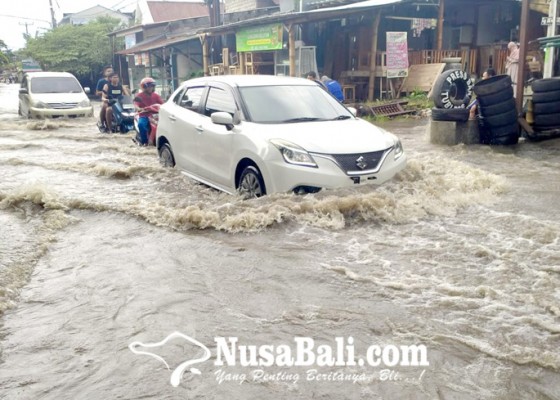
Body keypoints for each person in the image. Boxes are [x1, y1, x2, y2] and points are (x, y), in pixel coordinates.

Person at [133, 77, 163, 146]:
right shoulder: (139, 96)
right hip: (144, 115)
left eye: (151, 86)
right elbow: (136, 104)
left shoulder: (156, 96)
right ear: (143, 87)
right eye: (147, 86)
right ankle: (145, 142)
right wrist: (139, 108)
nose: (150, 88)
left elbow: (162, 104)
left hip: (155, 115)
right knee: (141, 125)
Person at [96, 66, 113, 131]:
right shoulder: (102, 81)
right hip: (105, 100)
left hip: (115, 100)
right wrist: (105, 92)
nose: (110, 72)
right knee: (104, 105)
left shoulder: (115, 81)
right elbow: (97, 93)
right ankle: (102, 122)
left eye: (111, 71)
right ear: (104, 73)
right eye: (108, 71)